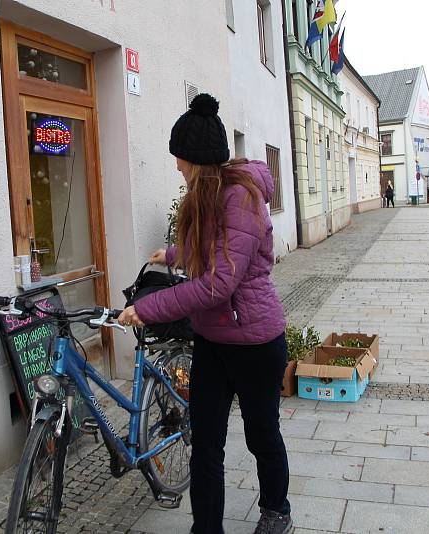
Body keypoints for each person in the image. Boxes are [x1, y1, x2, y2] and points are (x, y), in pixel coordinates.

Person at [118, 94, 292, 534]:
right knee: (205, 447)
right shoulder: (205, 196)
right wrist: (175, 254)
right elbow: (213, 253)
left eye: (180, 158)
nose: (176, 166)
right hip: (213, 343)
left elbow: (218, 282)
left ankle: (276, 511)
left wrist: (146, 308)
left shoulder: (242, 199)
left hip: (255, 342)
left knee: (261, 436)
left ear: (197, 159)